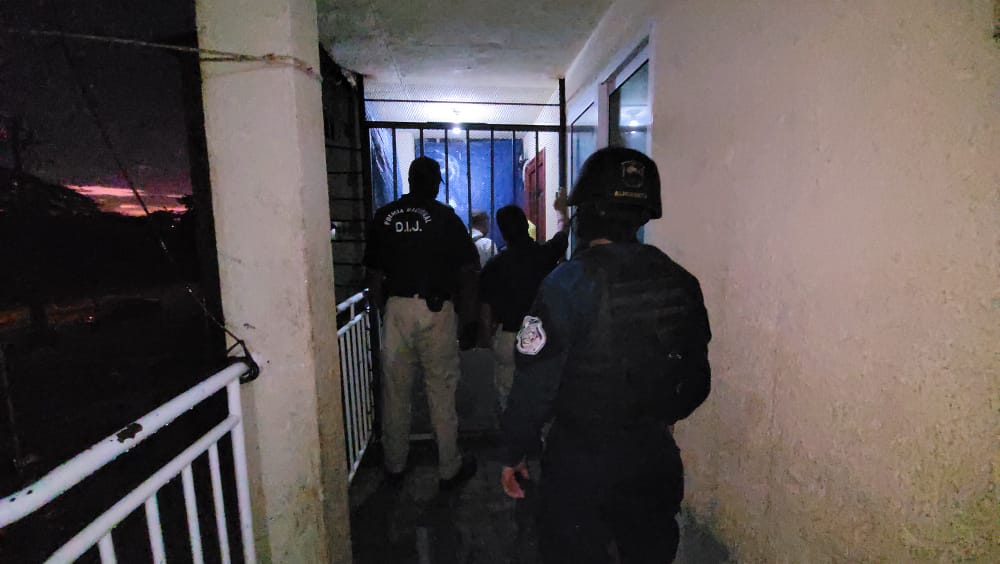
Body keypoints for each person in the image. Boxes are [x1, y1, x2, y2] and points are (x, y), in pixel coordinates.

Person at [499, 147, 712, 563]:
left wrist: (513, 451)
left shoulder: (566, 283)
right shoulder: (681, 280)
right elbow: (697, 383)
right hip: (654, 459)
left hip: (581, 465)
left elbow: (535, 387)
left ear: (586, 214)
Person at [363, 155, 479, 490]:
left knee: (395, 391)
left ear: (410, 180)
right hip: (436, 310)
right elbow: (468, 270)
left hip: (396, 309)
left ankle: (395, 465)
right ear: (435, 184)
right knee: (441, 390)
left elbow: (373, 273)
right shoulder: (445, 217)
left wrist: (383, 312)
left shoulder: (384, 217)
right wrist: (469, 320)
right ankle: (449, 467)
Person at [478, 205, 567, 411]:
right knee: (540, 396)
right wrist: (562, 213)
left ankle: (512, 429)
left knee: (507, 397)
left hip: (508, 337)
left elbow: (485, 308)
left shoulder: (494, 265)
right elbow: (563, 235)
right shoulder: (545, 254)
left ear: (502, 232)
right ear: (526, 226)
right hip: (541, 336)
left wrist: (487, 338)